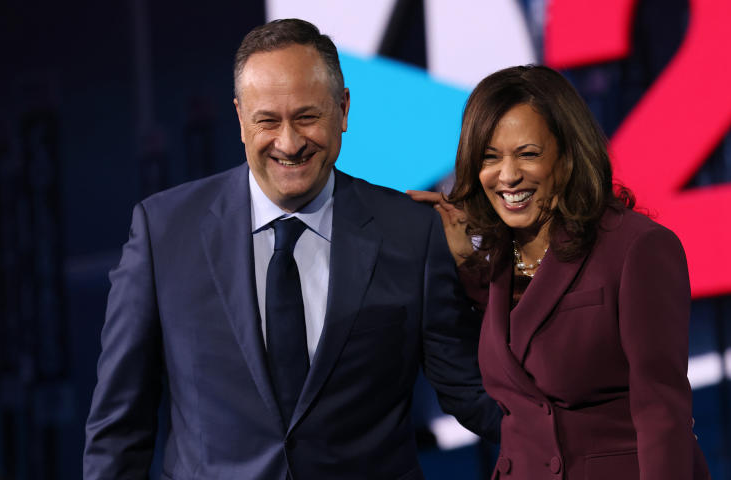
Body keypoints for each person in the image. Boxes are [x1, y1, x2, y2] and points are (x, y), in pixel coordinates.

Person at [84, 18, 500, 480]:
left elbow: (475, 396)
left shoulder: (410, 232)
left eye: (307, 117)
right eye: (267, 120)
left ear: (342, 109)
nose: (289, 142)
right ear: (241, 119)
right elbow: (119, 429)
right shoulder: (163, 233)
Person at [409, 65, 710, 479]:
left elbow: (663, 415)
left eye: (528, 154)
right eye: (490, 157)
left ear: (568, 156)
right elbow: (527, 341)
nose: (508, 175)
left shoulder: (638, 249)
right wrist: (468, 265)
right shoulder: (501, 257)